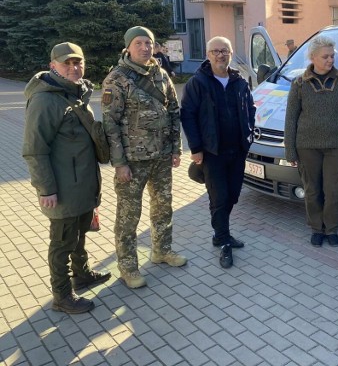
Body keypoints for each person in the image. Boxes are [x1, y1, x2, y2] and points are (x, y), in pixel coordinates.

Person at [23, 42, 111, 314]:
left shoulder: (76, 93)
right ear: (53, 66)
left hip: (83, 183)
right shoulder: (45, 99)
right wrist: (46, 189)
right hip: (61, 188)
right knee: (62, 242)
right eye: (67, 64)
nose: (74, 68)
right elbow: (34, 150)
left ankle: (81, 274)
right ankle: (61, 295)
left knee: (79, 233)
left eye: (78, 63)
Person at [102, 26, 185, 289]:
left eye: (148, 43)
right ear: (128, 47)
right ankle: (128, 267)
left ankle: (162, 250)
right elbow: (110, 125)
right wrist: (119, 163)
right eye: (139, 43)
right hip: (133, 162)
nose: (145, 47)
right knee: (129, 215)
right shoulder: (116, 79)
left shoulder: (160, 74)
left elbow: (173, 111)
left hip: (161, 157)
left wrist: (175, 149)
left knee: (163, 207)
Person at [181, 36, 255, 269]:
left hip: (237, 150)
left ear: (231, 54)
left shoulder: (239, 81)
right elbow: (188, 115)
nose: (220, 55)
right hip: (212, 152)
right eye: (215, 51)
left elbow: (250, 108)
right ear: (208, 54)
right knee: (219, 197)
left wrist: (249, 134)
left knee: (233, 195)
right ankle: (222, 239)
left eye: (224, 51)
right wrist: (195, 149)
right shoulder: (199, 82)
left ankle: (221, 232)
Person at [284, 36, 338, 247]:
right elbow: (291, 118)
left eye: (332, 56)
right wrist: (290, 150)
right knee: (312, 190)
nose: (330, 60)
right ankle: (317, 228)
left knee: (334, 190)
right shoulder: (299, 84)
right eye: (325, 56)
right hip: (307, 147)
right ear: (313, 58)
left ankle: (332, 228)